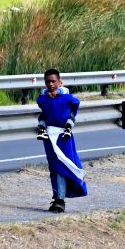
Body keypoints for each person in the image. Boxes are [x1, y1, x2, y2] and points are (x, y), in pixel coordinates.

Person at [36, 68, 88, 212]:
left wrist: (69, 121)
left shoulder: (67, 98)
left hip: (64, 136)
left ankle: (60, 199)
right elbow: (44, 110)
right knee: (53, 166)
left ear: (60, 82)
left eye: (53, 81)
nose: (51, 84)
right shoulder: (43, 99)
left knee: (64, 164)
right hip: (49, 137)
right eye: (48, 82)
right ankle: (56, 196)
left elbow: (75, 104)